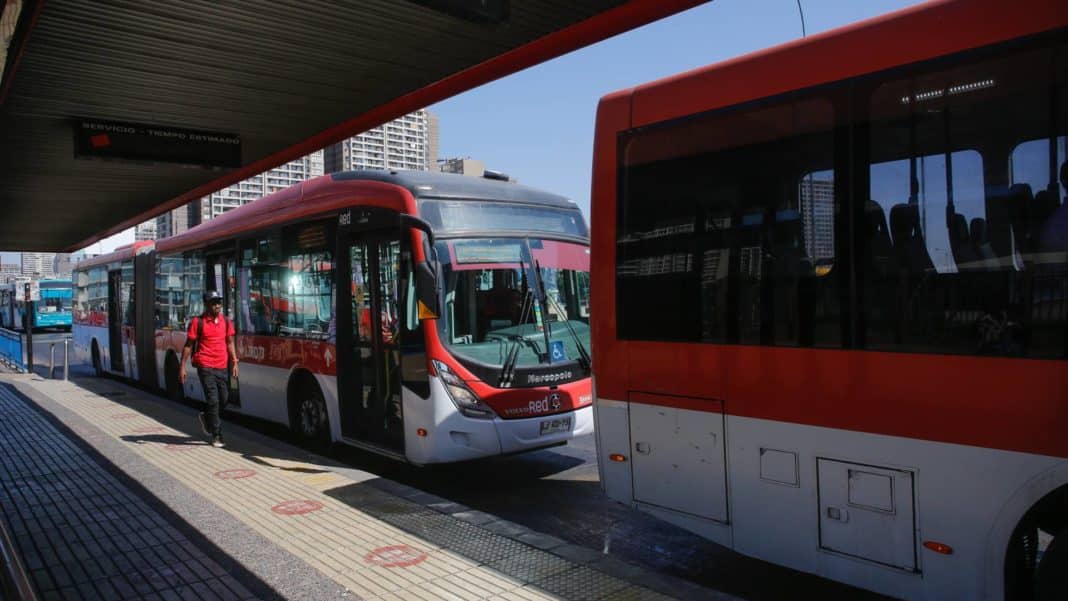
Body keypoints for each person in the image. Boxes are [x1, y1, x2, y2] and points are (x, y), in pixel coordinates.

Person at [179, 290, 238, 447]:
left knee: (224, 400)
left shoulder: (226, 321)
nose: (217, 305)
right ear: (206, 305)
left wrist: (235, 361)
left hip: (222, 366)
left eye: (219, 302)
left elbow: (230, 342)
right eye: (214, 303)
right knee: (213, 400)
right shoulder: (198, 322)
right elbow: (188, 345)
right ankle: (217, 435)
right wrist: (182, 367)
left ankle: (207, 418)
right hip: (205, 365)